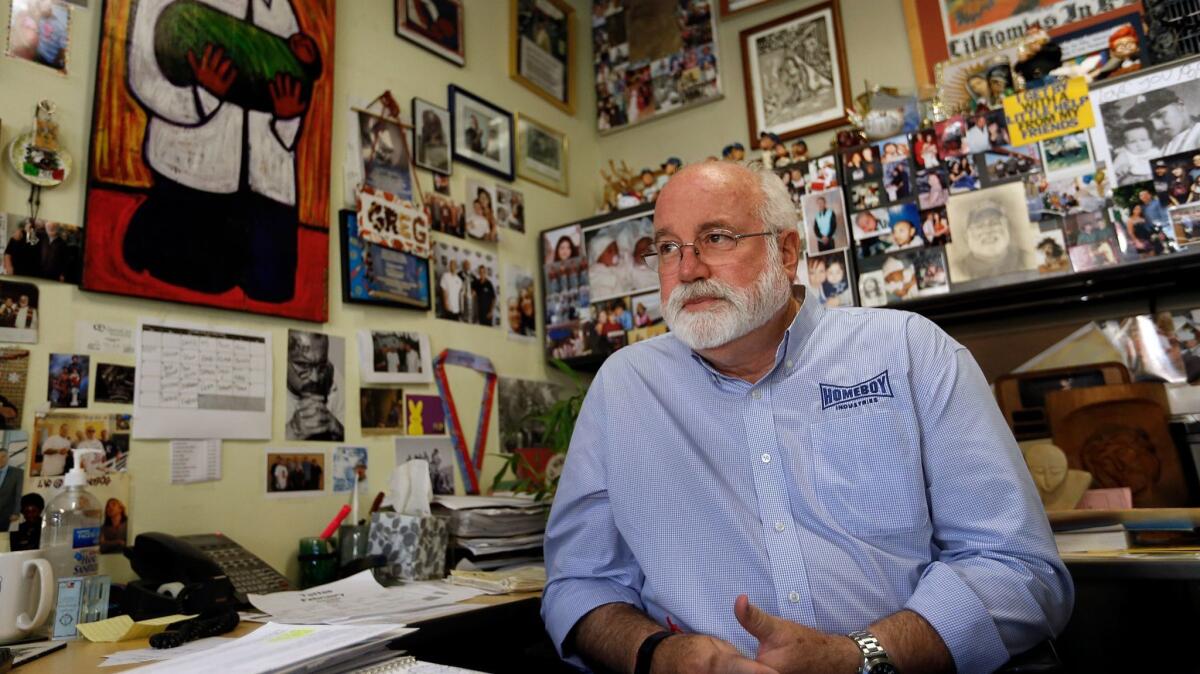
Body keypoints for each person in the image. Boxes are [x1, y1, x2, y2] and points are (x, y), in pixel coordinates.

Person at [543, 161, 1071, 674]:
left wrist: (859, 657)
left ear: (787, 250)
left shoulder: (911, 352)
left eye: (718, 238)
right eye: (666, 248)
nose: (688, 270)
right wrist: (655, 655)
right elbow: (580, 584)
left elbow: (1017, 569)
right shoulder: (624, 387)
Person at [124, 0, 321, 303]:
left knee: (273, 288)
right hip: (193, 173)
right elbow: (144, 77)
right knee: (197, 278)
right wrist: (203, 95)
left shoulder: (280, 7)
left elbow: (295, 79)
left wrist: (288, 114)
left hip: (268, 187)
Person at [286, 331, 343, 441]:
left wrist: (338, 429)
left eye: (321, 365)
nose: (315, 378)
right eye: (303, 365)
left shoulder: (332, 375)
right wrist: (292, 431)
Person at [1126, 88, 1200, 156]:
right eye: (1148, 122)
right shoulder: (1166, 145)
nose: (1156, 126)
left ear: (1180, 105)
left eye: (1159, 115)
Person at [1111, 120, 1160, 186]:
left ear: (1150, 140)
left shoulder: (1155, 151)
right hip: (1135, 180)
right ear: (1125, 144)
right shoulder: (1124, 155)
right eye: (1132, 142)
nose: (1139, 145)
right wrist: (1119, 171)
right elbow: (1112, 173)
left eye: (1143, 140)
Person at [0, 447, 20, 526]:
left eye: (3, 456)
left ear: (8, 458)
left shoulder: (17, 473)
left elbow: (18, 494)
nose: (1, 459)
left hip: (5, 514)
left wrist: (16, 512)